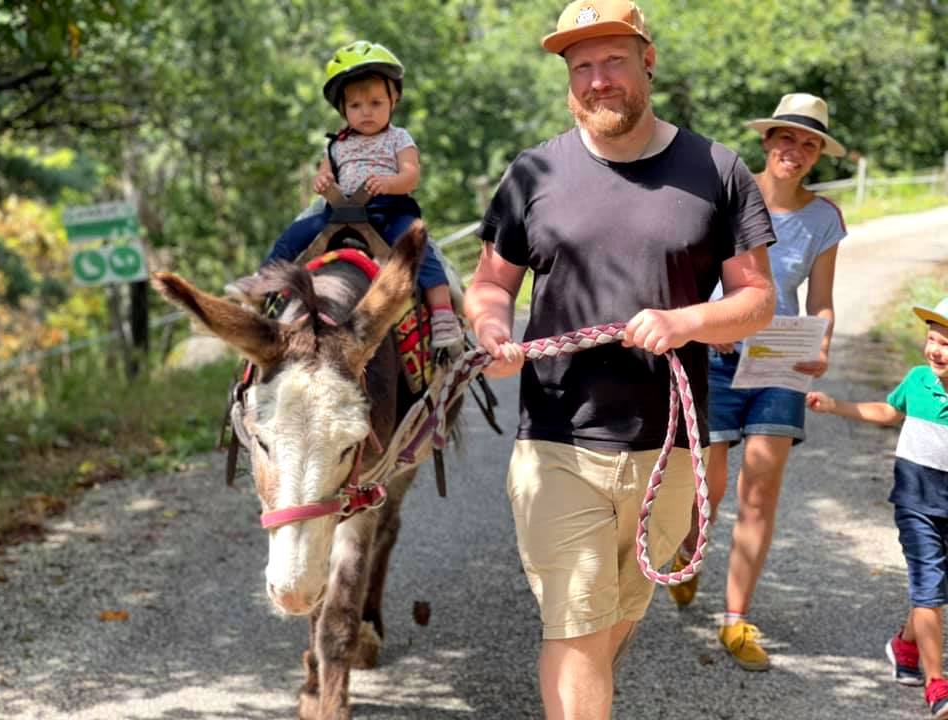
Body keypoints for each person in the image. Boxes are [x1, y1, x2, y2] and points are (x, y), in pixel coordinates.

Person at [463, 1, 777, 717]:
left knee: (611, 624)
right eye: (581, 68)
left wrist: (686, 320)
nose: (597, 80)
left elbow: (756, 300)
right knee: (574, 630)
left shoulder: (718, 170)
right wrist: (490, 329)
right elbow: (489, 283)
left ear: (647, 61)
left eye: (612, 62)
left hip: (668, 451)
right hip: (557, 444)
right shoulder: (534, 172)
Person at [666, 92, 848, 671]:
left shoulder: (824, 219)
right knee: (709, 488)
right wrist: (708, 322)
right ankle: (689, 548)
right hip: (716, 355)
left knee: (759, 493)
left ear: (818, 155)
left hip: (779, 363)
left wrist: (820, 343)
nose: (795, 150)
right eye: (787, 138)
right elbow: (689, 274)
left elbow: (820, 302)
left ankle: (736, 620)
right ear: (768, 142)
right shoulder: (726, 198)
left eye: (809, 143)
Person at [250, 40, 460, 348]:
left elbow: (411, 174)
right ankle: (260, 287)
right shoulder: (337, 145)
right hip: (336, 210)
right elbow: (325, 173)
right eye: (356, 106)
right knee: (294, 235)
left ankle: (442, 313)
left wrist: (390, 183)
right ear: (343, 109)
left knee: (418, 247)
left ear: (394, 99)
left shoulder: (399, 138)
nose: (366, 113)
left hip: (388, 209)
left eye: (376, 103)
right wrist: (322, 182)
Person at [807, 298, 948, 719]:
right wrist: (837, 407)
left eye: (946, 343)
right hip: (916, 504)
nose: (935, 349)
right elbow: (888, 411)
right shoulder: (918, 380)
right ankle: (937, 682)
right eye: (932, 339)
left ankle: (905, 644)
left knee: (936, 586)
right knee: (929, 587)